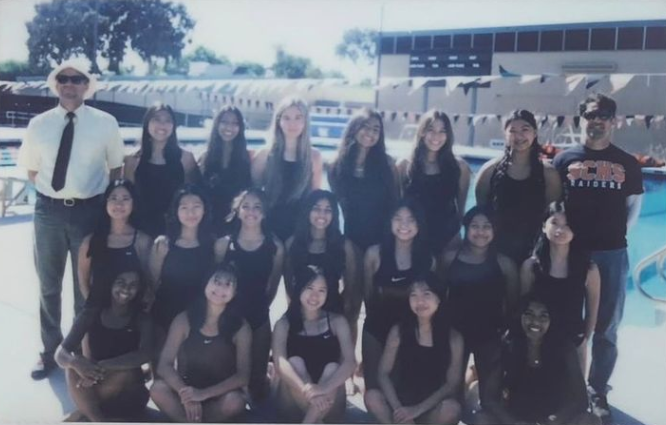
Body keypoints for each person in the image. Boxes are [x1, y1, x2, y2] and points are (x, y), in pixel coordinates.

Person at [18, 59, 125, 379]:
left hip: (89, 212)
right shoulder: (39, 124)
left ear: (86, 86)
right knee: (48, 285)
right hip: (48, 212)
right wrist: (55, 196)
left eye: (77, 79)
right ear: (56, 84)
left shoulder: (106, 123)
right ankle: (50, 350)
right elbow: (32, 171)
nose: (69, 84)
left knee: (85, 288)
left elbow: (116, 168)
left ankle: (78, 351)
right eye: (63, 79)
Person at [553, 93, 644, 419]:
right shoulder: (563, 160)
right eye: (591, 115)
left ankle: (597, 389)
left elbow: (634, 208)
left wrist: (612, 238)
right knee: (564, 320)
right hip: (570, 252)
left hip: (611, 254)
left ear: (613, 122)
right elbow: (554, 206)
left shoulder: (627, 163)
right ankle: (565, 382)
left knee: (607, 325)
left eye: (604, 115)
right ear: (582, 120)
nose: (597, 121)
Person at [441, 205, 520, 415]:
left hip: (489, 336)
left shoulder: (505, 264)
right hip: (455, 335)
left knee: (490, 401)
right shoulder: (450, 258)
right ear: (466, 228)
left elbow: (513, 306)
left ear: (495, 230)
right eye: (475, 226)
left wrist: (504, 337)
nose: (480, 232)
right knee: (452, 397)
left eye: (487, 226)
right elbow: (438, 297)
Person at [150, 264, 251, 423]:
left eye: (228, 284)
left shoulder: (241, 327)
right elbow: (164, 365)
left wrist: (203, 394)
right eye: (216, 281)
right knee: (157, 389)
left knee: (235, 401)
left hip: (218, 396)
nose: (221, 288)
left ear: (235, 292)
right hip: (186, 393)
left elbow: (242, 376)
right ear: (205, 283)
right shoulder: (184, 319)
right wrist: (186, 395)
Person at [479, 293, 600, 425]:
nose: (535, 321)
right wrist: (512, 422)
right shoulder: (507, 346)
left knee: (591, 421)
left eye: (543, 316)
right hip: (516, 418)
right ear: (520, 316)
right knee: (481, 419)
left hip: (554, 419)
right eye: (529, 314)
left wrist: (556, 420)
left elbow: (581, 400)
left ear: (552, 320)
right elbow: (489, 399)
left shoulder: (565, 348)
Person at [364, 273, 464, 424]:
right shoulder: (399, 330)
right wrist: (399, 410)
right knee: (372, 397)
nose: (420, 301)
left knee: (452, 409)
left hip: (430, 407)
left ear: (439, 298)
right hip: (400, 403)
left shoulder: (454, 338)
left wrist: (417, 409)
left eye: (426, 294)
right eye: (414, 295)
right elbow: (383, 373)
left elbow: (451, 384)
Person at [55, 269, 152, 422]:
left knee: (128, 372)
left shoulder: (141, 317)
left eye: (133, 285)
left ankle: (85, 411)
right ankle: (97, 419)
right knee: (72, 366)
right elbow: (60, 353)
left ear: (139, 289)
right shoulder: (92, 312)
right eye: (120, 282)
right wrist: (75, 363)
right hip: (95, 382)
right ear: (110, 284)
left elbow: (144, 354)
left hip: (127, 390)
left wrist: (100, 367)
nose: (126, 289)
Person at [215, 188, 284, 401]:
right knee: (225, 377)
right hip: (228, 316)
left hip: (259, 316)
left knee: (257, 386)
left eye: (257, 207)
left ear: (264, 212)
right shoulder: (224, 244)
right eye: (246, 206)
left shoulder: (275, 246)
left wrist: (261, 308)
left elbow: (273, 284)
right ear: (237, 211)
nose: (251, 211)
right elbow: (213, 283)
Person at [362, 199, 434, 392]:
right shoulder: (374, 254)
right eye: (398, 219)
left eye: (411, 219)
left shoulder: (428, 259)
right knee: (373, 391)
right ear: (390, 222)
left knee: (401, 390)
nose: (404, 225)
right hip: (376, 326)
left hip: (410, 330)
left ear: (419, 224)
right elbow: (368, 296)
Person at [521, 201, 600, 373]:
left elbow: (592, 312)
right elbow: (524, 309)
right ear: (544, 226)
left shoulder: (589, 269)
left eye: (567, 225)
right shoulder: (531, 267)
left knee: (573, 389)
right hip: (539, 341)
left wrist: (583, 340)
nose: (560, 230)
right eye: (554, 223)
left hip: (572, 342)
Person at [475, 109, 562, 265]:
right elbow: (481, 213)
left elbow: (552, 217)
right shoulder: (489, 171)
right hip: (497, 252)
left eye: (525, 129)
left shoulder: (548, 174)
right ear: (505, 135)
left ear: (535, 133)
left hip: (535, 253)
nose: (519, 136)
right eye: (513, 131)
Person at [272, 266, 356, 423]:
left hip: (330, 401)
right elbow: (279, 363)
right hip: (292, 399)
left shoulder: (338, 322)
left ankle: (309, 421)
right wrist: (307, 390)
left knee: (333, 368)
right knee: (294, 362)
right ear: (298, 288)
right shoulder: (283, 324)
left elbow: (350, 362)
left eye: (321, 290)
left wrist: (322, 389)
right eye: (309, 288)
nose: (314, 296)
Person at [398, 109, 471, 260]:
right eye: (431, 130)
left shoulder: (460, 167)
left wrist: (457, 237)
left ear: (448, 135)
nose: (436, 136)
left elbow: (460, 211)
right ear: (422, 132)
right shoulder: (404, 165)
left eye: (442, 131)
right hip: (413, 237)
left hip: (448, 238)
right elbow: (397, 207)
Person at [149, 185, 217, 340]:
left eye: (196, 207)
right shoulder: (163, 244)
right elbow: (152, 281)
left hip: (199, 317)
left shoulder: (214, 245)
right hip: (164, 313)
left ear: (204, 210)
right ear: (176, 211)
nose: (190, 213)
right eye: (184, 207)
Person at [251, 97, 323, 241]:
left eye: (298, 118)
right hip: (268, 229)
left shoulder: (314, 157)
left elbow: (315, 199)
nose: (292, 123)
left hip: (300, 232)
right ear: (278, 121)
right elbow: (253, 195)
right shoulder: (264, 155)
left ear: (305, 121)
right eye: (287, 118)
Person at [329, 108, 400, 255]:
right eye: (365, 127)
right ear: (354, 128)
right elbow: (338, 207)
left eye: (376, 129)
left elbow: (395, 202)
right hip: (351, 237)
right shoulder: (336, 166)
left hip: (382, 239)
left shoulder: (388, 165)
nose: (370, 133)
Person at [124, 102, 200, 238]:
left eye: (167, 121)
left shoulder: (186, 159)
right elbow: (128, 199)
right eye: (157, 119)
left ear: (174, 126)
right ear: (147, 123)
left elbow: (192, 198)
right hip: (141, 231)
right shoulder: (132, 160)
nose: (162, 125)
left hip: (175, 232)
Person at [284, 190, 359, 326]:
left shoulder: (344, 246)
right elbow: (289, 284)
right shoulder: (292, 243)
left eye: (328, 210)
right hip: (300, 314)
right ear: (307, 210)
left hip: (333, 314)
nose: (322, 214)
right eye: (316, 208)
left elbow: (350, 288)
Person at [77, 179, 152, 307]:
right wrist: (93, 310)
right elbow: (83, 282)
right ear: (106, 202)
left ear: (133, 203)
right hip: (97, 310)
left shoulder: (143, 240)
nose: (119, 204)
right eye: (113, 198)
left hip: (132, 312)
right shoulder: (90, 241)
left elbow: (148, 281)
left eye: (125, 199)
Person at [199, 106, 252, 236]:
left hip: (238, 227)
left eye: (235, 123)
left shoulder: (248, 159)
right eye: (224, 122)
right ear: (217, 124)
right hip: (208, 226)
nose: (229, 127)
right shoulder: (204, 159)